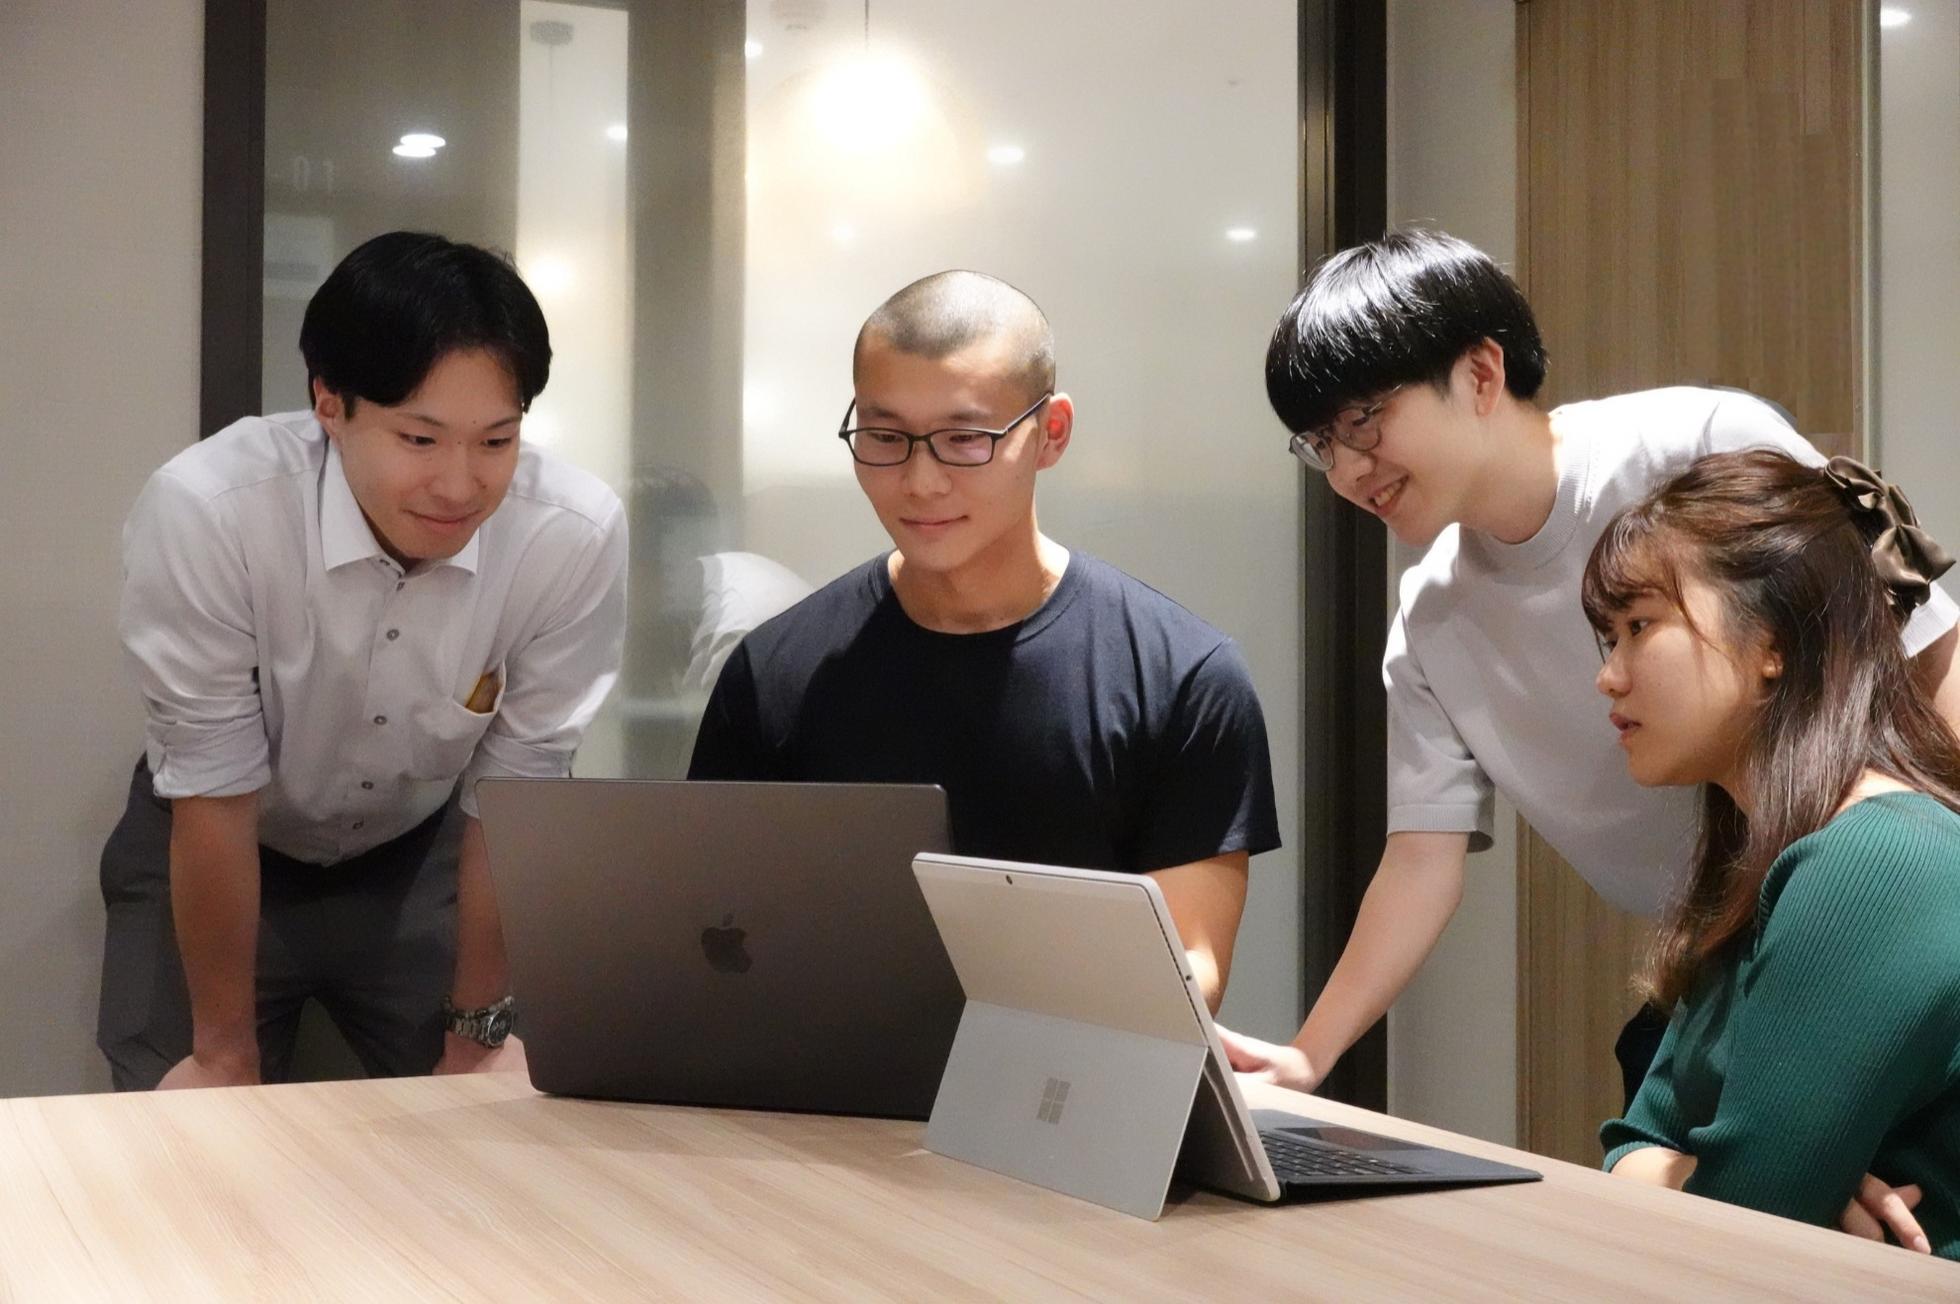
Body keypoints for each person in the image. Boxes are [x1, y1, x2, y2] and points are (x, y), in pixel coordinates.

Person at [1218, 228, 1960, 1098]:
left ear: (1481, 374)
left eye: (1362, 421)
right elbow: (1421, 858)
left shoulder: (1698, 443)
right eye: (1320, 442)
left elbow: (1923, 654)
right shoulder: (1430, 621)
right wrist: (1309, 1055)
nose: (1347, 469)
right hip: (1714, 971)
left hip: (1879, 924)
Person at [101, 230, 627, 1090]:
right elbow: (214, 785)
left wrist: (478, 1034)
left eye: (496, 441)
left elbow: (514, 796)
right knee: (181, 1124)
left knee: (497, 1117)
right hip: (216, 833)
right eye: (419, 439)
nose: (459, 485)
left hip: (424, 853)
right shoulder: (211, 510)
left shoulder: (569, 533)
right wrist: (224, 1054)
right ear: (328, 403)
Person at [687, 270, 1279, 1009]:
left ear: (1051, 433)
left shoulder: (1184, 677)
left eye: (965, 439)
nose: (920, 481)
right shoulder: (774, 670)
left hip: (1071, 1072)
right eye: (885, 437)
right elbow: (713, 933)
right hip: (824, 1074)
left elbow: (1191, 971)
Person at [1587, 449, 1960, 1258]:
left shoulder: (1876, 863)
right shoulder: (1776, 859)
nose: (1608, 677)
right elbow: (1630, 1145)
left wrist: (1743, 1186)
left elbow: (1743, 1223)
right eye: (1608, 638)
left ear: (1775, 641)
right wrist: (1746, 1183)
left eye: (1640, 627)